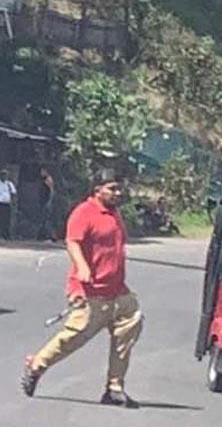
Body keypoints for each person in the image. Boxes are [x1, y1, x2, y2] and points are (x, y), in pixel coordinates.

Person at [20, 169, 143, 408]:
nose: (118, 193)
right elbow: (72, 242)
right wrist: (82, 267)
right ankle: (36, 365)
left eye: (119, 188)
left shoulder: (114, 214)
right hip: (90, 290)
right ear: (97, 190)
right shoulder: (84, 212)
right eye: (112, 189)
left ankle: (114, 388)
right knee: (74, 337)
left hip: (118, 290)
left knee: (131, 322)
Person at [37, 167, 56, 241]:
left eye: (43, 171)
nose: (41, 173)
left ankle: (50, 236)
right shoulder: (42, 180)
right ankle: (43, 236)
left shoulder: (48, 179)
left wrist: (49, 201)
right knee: (43, 219)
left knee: (47, 219)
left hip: (47, 202)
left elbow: (52, 191)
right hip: (43, 201)